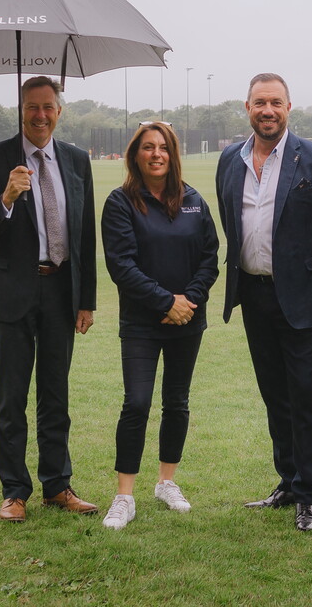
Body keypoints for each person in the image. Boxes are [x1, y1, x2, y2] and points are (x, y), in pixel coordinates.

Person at [215, 73, 312, 532]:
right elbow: (231, 222)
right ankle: (287, 481)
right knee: (274, 393)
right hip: (254, 295)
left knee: (303, 394)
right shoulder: (229, 160)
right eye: (260, 103)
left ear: (289, 106)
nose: (267, 110)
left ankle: (307, 494)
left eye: (275, 102)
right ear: (247, 107)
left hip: (302, 299)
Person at [0, 76, 98, 523]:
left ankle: (57, 486)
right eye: (31, 107)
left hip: (61, 291)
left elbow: (84, 235)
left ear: (59, 111)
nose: (39, 115)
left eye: (47, 106)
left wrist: (87, 300)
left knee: (55, 395)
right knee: (11, 398)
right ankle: (14, 491)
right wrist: (6, 196)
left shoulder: (77, 161)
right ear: (20, 110)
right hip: (11, 294)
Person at [99, 122, 219, 530]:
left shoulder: (193, 200)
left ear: (173, 153)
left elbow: (209, 257)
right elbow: (122, 264)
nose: (156, 154)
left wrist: (187, 302)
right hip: (141, 322)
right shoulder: (120, 202)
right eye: (147, 147)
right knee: (136, 403)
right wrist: (166, 302)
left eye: (163, 147)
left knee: (177, 402)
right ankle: (124, 495)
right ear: (136, 154)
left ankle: (167, 482)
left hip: (188, 320)